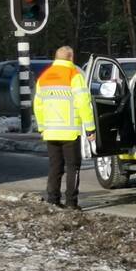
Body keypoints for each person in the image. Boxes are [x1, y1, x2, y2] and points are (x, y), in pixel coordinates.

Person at [33, 46, 96, 210]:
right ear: (71, 58)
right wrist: (90, 128)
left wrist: (42, 127)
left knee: (55, 167)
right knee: (73, 168)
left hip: (50, 132)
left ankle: (53, 199)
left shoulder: (44, 77)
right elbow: (84, 104)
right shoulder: (74, 75)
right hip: (70, 132)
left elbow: (37, 105)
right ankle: (71, 202)